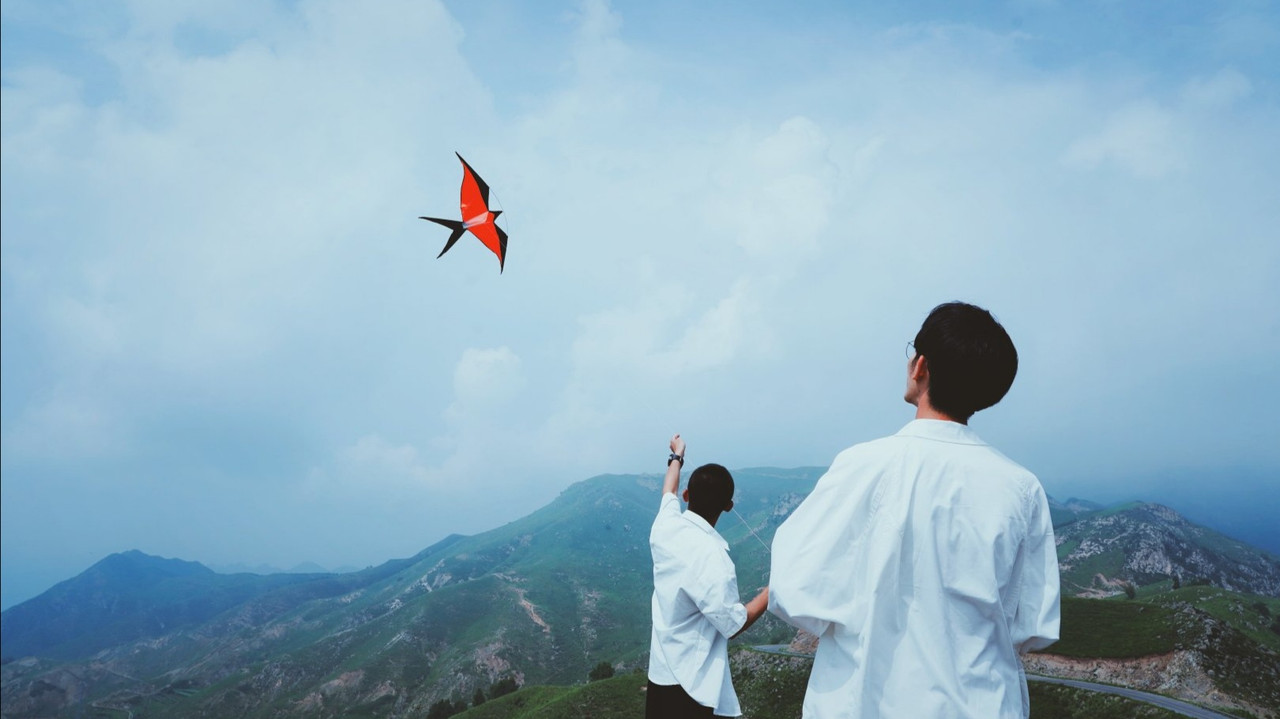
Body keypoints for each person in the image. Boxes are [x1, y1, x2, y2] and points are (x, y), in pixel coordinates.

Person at [769, 301, 1060, 719]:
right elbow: (1033, 625)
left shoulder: (862, 465)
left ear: (919, 366)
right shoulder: (1022, 488)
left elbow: (792, 588)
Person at [647, 434, 771, 718]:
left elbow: (669, 491)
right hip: (692, 690)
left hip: (660, 676)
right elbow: (732, 623)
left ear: (687, 496)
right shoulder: (715, 559)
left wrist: (678, 456)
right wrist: (770, 592)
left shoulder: (665, 527)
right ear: (729, 506)